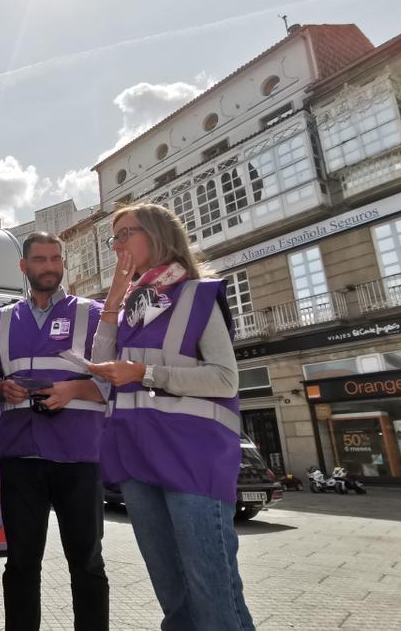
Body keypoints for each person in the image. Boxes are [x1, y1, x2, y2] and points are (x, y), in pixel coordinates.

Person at [88, 203, 254, 630]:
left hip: (192, 458)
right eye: (114, 237)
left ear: (158, 234)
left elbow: (225, 380)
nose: (117, 245)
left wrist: (145, 374)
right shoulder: (134, 306)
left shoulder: (197, 295)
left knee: (211, 589)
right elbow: (102, 366)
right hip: (137, 457)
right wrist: (112, 299)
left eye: (126, 233)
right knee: (172, 593)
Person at [0, 232, 110, 631]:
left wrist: (73, 389)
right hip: (21, 457)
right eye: (40, 259)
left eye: (56, 259)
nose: (50, 267)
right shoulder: (0, 320)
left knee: (87, 562)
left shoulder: (93, 314)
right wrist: (0, 388)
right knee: (21, 563)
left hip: (80, 456)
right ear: (24, 266)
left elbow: (116, 380)